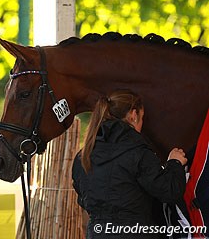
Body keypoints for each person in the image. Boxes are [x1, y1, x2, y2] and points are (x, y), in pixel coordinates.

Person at [72, 89, 187, 239]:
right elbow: (170, 191)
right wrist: (175, 163)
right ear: (133, 115)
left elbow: (84, 199)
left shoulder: (83, 156)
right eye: (142, 118)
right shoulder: (137, 152)